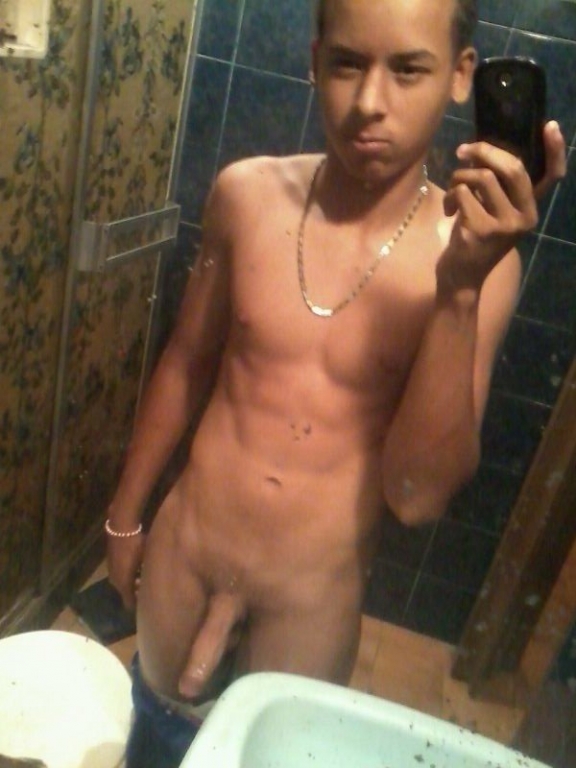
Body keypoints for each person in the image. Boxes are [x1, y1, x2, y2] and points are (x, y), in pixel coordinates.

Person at [106, 0, 567, 765]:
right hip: (186, 556)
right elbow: (185, 360)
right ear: (316, 61)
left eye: (409, 69)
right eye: (349, 63)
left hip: (308, 602)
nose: (369, 103)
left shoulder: (481, 261)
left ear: (461, 76)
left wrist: (459, 287)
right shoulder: (245, 195)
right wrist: (124, 518)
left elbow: (417, 496)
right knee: (152, 744)